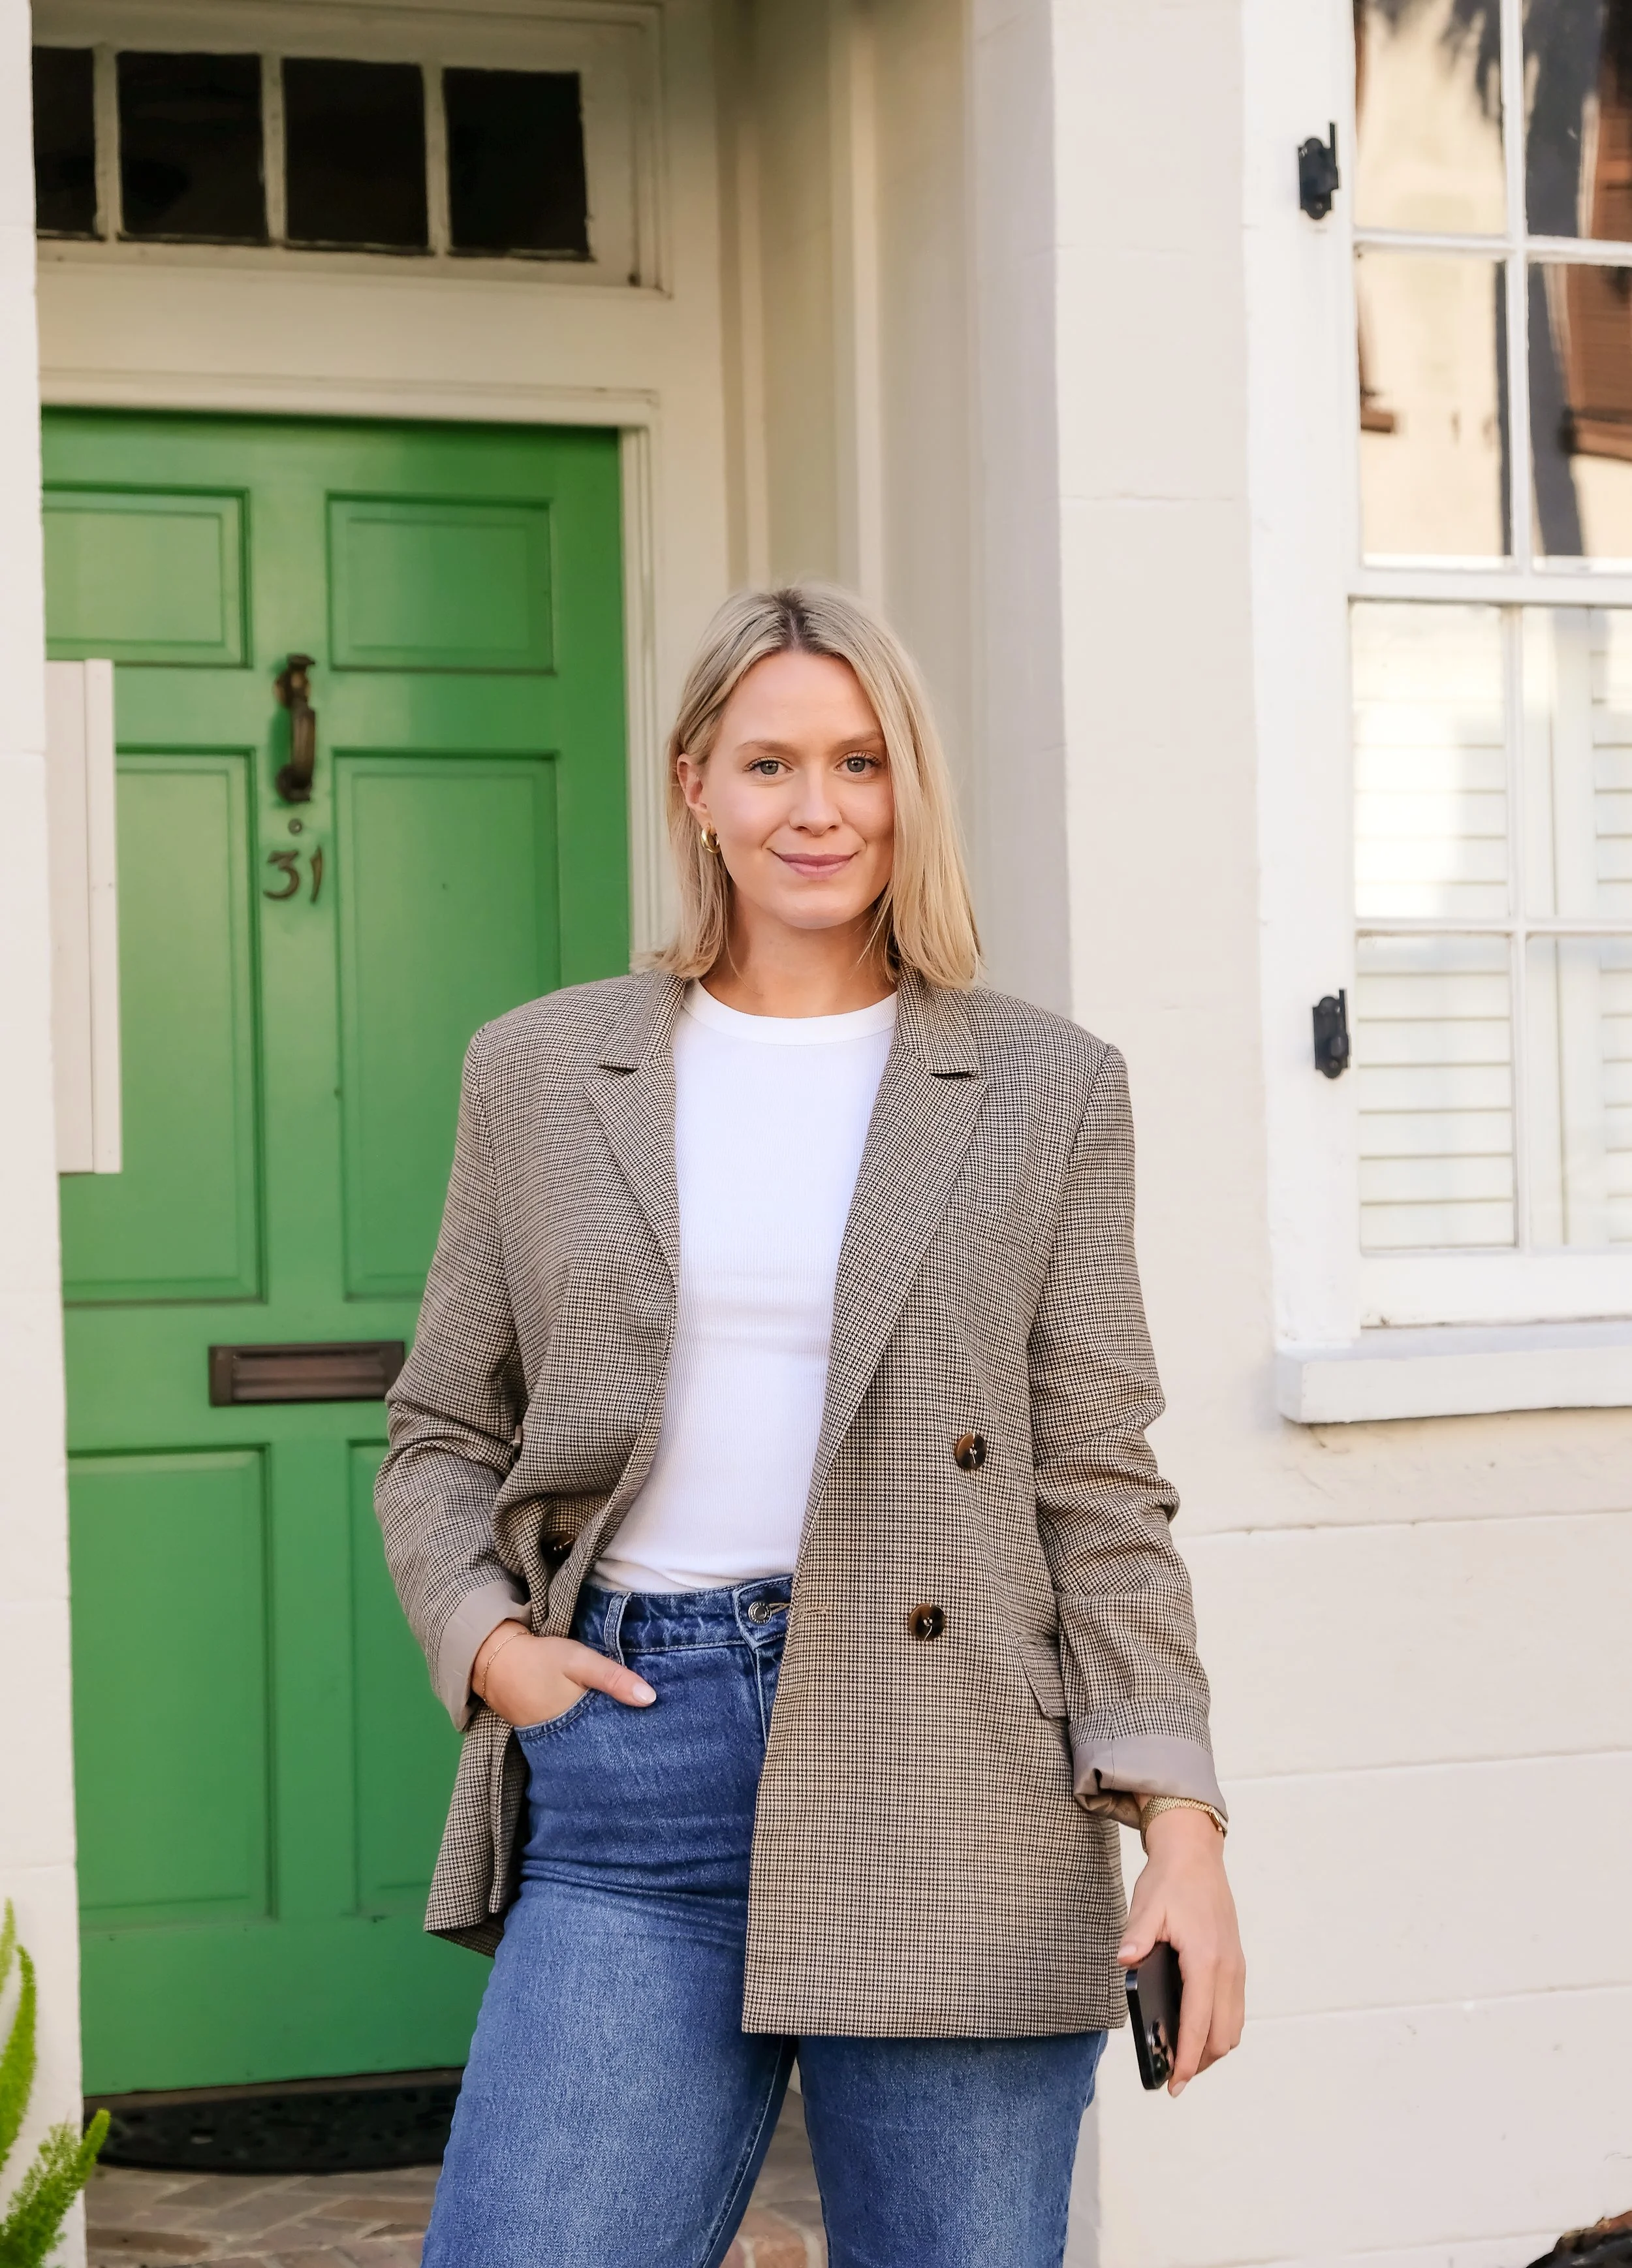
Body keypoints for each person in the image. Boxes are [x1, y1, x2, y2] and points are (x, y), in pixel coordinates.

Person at [377, 582, 1245, 2268]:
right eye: (770, 763)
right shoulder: (545, 1072)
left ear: (906, 786)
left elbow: (1101, 1482)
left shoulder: (1043, 1089)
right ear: (695, 782)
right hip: (638, 1756)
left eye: (859, 761)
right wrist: (487, 1645)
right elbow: (438, 1433)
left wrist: (1182, 1826)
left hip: (958, 1777)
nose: (818, 807)